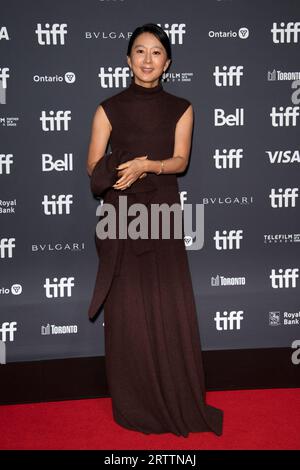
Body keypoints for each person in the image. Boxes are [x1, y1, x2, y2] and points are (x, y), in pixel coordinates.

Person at [86, 23, 224, 437]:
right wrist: (113, 170)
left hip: (162, 211)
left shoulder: (182, 107)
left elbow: (180, 160)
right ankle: (135, 402)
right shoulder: (107, 108)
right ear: (128, 59)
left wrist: (147, 165)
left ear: (168, 62)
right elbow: (93, 165)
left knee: (167, 303)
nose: (148, 59)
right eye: (140, 52)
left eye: (157, 52)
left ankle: (175, 394)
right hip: (121, 215)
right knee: (127, 310)